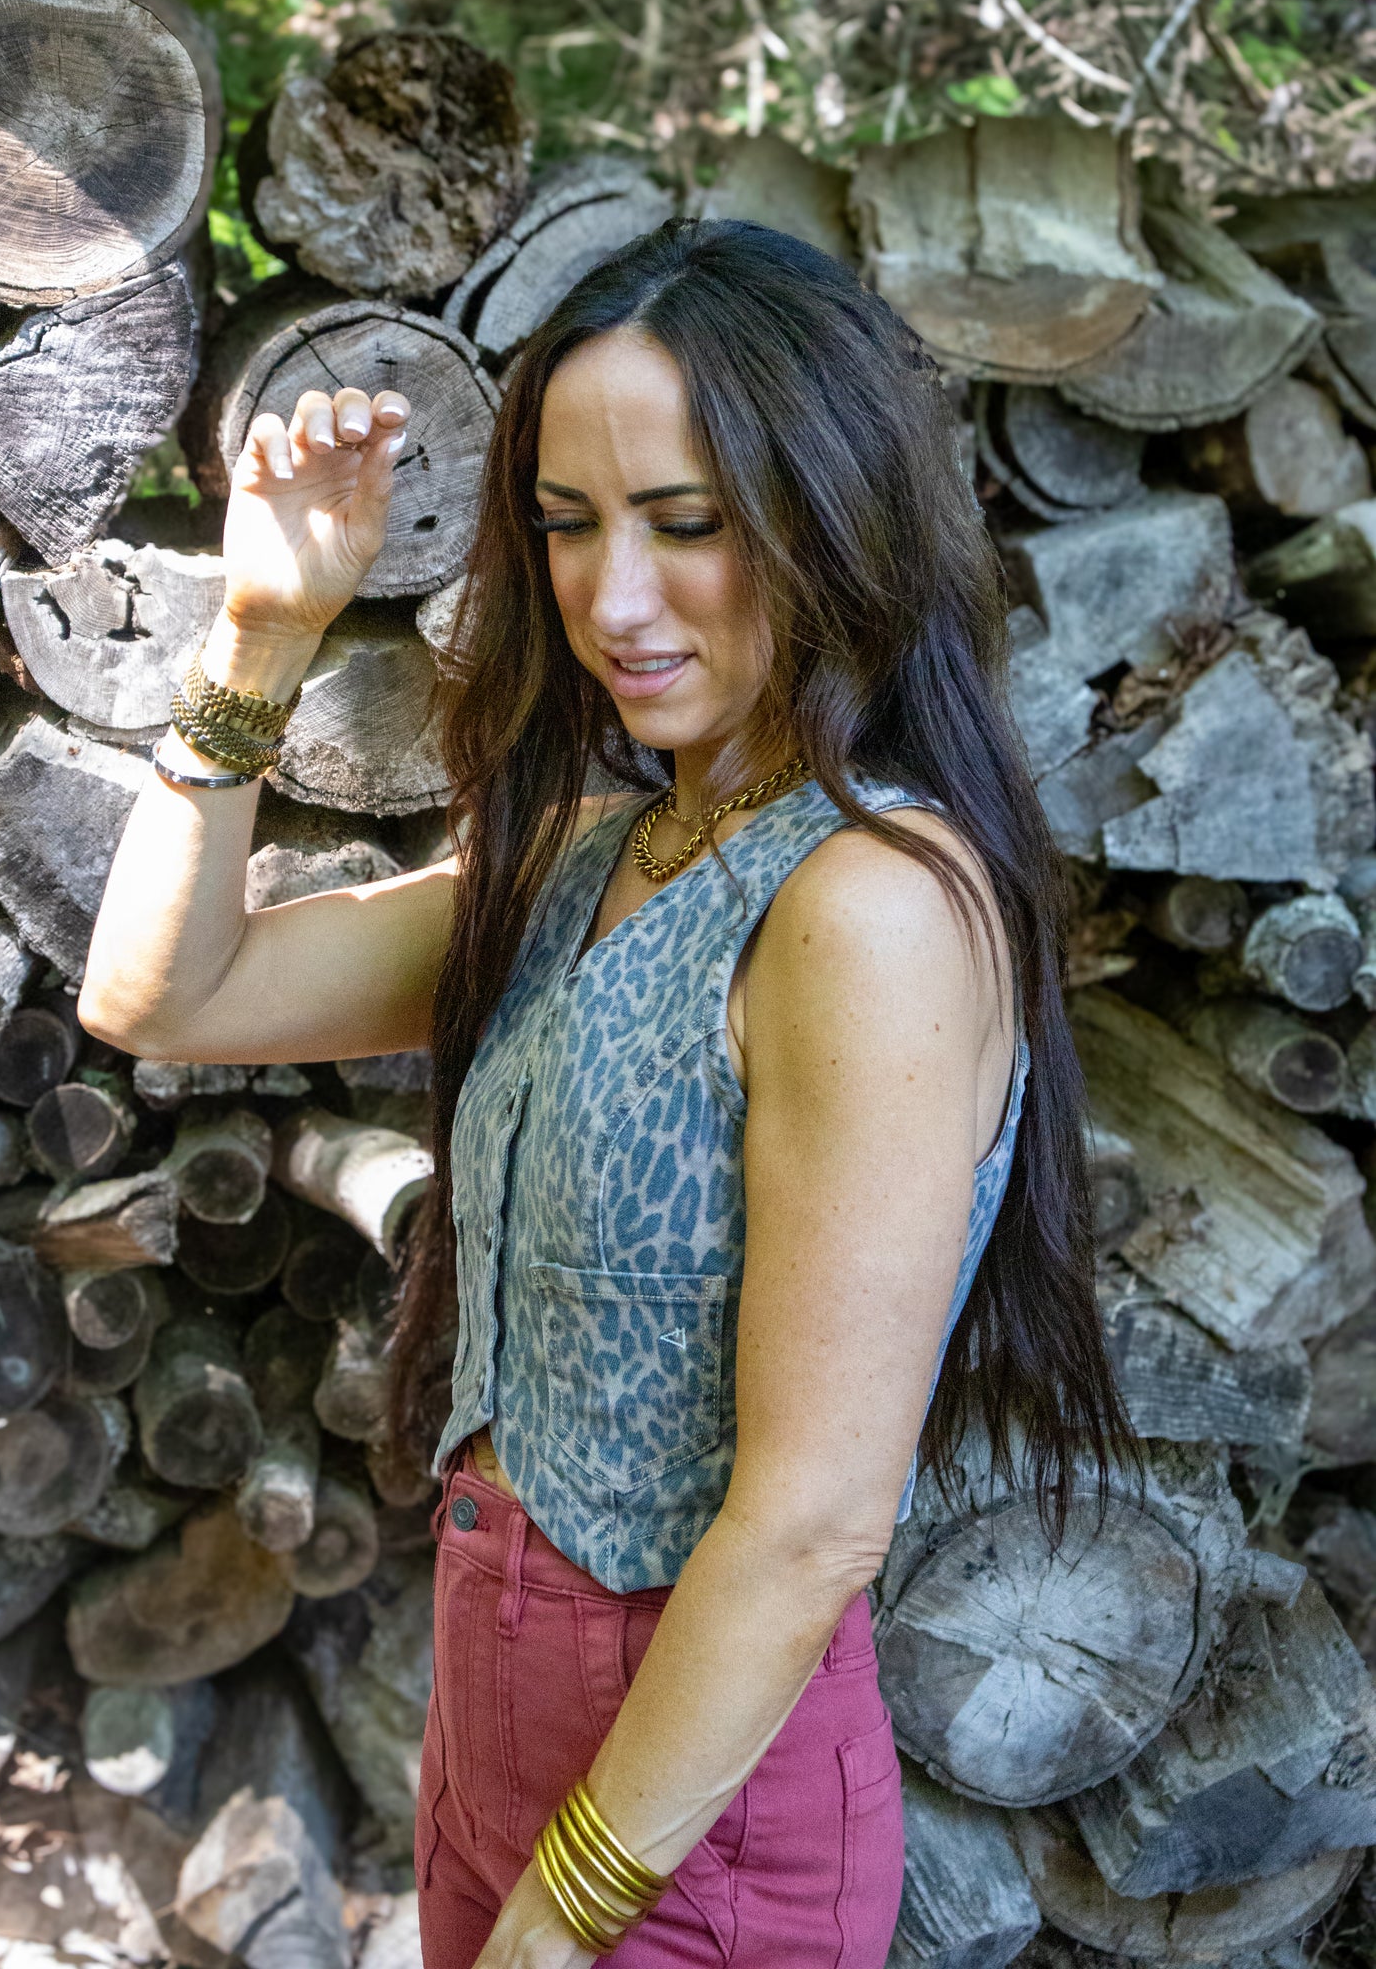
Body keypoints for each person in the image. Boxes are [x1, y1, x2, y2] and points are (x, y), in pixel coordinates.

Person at [80, 218, 1134, 1969]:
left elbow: (811, 1524)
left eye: (685, 522)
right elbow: (161, 997)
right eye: (568, 523)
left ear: (834, 514)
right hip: (500, 1718)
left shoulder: (866, 904)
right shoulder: (591, 853)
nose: (612, 600)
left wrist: (565, 1916)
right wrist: (264, 632)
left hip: (684, 1817)